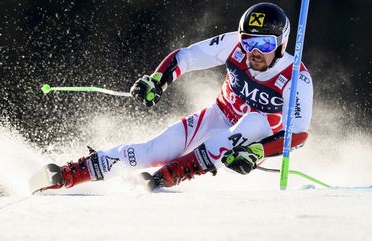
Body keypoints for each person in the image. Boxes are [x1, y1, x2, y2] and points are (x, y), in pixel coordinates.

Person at [48, 2, 313, 191]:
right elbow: (185, 57)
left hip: (252, 142)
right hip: (218, 114)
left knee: (255, 120)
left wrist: (257, 151)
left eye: (264, 44)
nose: (253, 51)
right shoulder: (233, 44)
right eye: (248, 42)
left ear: (281, 44)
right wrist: (157, 80)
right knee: (155, 149)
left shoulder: (296, 76)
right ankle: (72, 174)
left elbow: (298, 135)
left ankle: (172, 174)